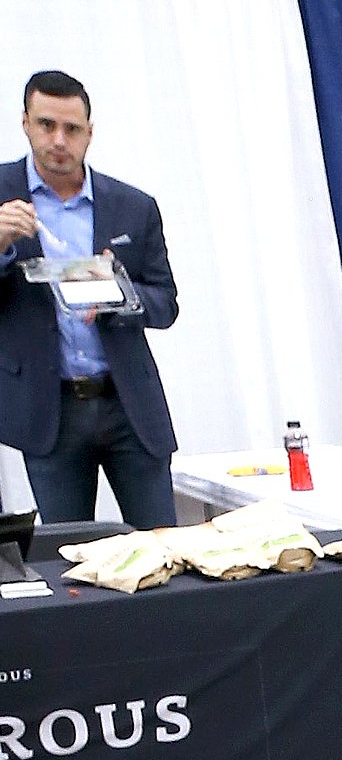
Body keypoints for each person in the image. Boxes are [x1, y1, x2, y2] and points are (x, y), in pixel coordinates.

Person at [0, 71, 182, 528]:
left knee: (164, 551)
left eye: (72, 129)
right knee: (70, 565)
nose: (58, 140)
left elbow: (166, 303)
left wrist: (123, 295)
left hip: (129, 407)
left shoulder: (132, 206)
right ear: (25, 123)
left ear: (90, 132)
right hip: (49, 411)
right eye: (46, 125)